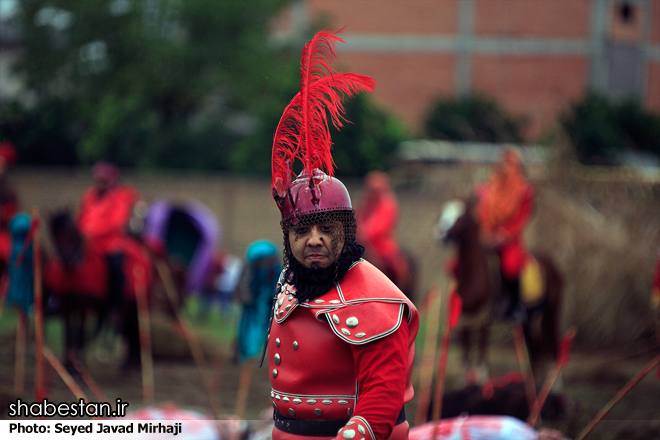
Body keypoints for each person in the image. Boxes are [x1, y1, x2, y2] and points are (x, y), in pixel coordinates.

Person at [265, 29, 419, 440]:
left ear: (344, 232)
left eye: (326, 229)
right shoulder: (291, 280)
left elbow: (382, 397)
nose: (313, 239)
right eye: (302, 229)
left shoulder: (372, 297)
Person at [475, 147, 535, 321]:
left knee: (510, 266)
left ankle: (517, 305)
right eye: (502, 163)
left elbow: (521, 220)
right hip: (488, 236)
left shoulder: (524, 192)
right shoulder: (489, 188)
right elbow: (483, 212)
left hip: (510, 239)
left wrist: (503, 235)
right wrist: (485, 233)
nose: (503, 168)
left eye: (508, 164)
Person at [77, 162, 141, 319]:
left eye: (104, 181)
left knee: (116, 265)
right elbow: (81, 216)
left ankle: (115, 305)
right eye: (98, 180)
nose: (100, 184)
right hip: (88, 241)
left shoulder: (120, 197)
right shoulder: (89, 195)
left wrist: (93, 232)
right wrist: (82, 231)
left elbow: (117, 222)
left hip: (111, 241)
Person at [357, 171, 406, 284]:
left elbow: (381, 225)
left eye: (376, 190)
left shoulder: (388, 203)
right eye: (371, 190)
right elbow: (357, 217)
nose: (373, 193)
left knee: (393, 266)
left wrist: (364, 232)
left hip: (382, 245)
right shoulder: (364, 203)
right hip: (363, 242)